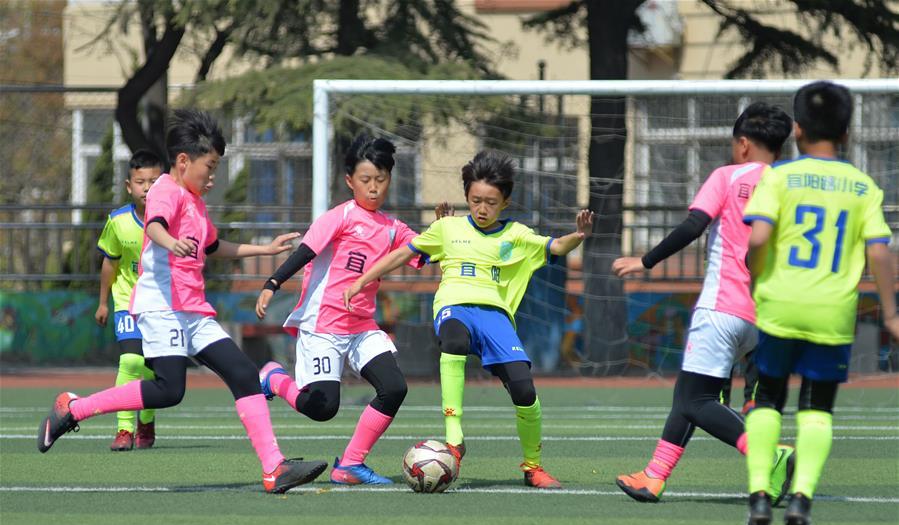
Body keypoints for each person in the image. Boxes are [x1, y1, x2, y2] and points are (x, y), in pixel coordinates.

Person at [38, 109, 327, 494]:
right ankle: (73, 409)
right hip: (160, 307)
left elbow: (213, 245)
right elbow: (155, 224)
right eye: (209, 167)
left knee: (244, 374)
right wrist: (171, 241)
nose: (213, 176)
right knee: (169, 390)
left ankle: (274, 468)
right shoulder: (165, 189)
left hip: (193, 311)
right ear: (183, 161)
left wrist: (264, 248)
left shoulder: (196, 203)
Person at [345, 149, 593, 489]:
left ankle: (533, 467)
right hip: (454, 305)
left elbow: (556, 247)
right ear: (467, 197)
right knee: (454, 341)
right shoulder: (447, 228)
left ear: (505, 202)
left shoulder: (516, 234)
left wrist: (577, 236)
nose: (482, 208)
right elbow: (404, 253)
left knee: (524, 388)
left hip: (494, 315)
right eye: (475, 200)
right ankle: (453, 436)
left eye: (491, 202)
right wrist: (362, 280)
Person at [612, 103, 796, 504]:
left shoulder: (728, 177)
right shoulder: (789, 185)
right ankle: (654, 476)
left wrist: (645, 261)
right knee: (688, 396)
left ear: (743, 144)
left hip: (722, 308)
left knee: (695, 400)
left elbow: (694, 225)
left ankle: (767, 453)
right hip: (765, 316)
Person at [742, 81, 898, 525]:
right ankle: (802, 502)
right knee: (817, 408)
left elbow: (757, 239)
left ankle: (757, 498)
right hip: (832, 312)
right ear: (846, 132)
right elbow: (880, 251)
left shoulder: (778, 177)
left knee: (767, 397)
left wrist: (756, 283)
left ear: (796, 128)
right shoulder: (863, 186)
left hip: (780, 305)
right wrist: (891, 312)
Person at [255, 135, 425, 485]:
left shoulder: (393, 228)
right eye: (366, 180)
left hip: (362, 327)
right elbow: (305, 251)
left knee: (394, 388)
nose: (374, 188)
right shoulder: (340, 217)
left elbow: (422, 252)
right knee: (323, 408)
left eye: (381, 180)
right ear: (350, 181)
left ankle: (349, 465)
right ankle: (274, 378)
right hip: (324, 326)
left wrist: (445, 233)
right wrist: (272, 283)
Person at [95, 150, 163, 451]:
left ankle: (146, 417)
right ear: (128, 186)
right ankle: (124, 428)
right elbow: (110, 263)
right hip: (127, 301)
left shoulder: (172, 219)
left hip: (160, 304)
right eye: (140, 182)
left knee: (155, 370)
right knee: (131, 359)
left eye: (154, 181)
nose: (147, 188)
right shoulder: (118, 221)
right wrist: (103, 303)